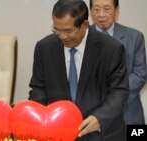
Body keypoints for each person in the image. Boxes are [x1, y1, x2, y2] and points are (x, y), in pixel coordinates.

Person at [28, 0, 128, 141]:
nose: (62, 36)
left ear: (85, 25)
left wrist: (99, 118)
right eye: (57, 30)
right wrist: (32, 115)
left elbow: (119, 92)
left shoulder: (111, 49)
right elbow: (39, 89)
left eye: (68, 31)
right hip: (59, 134)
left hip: (101, 134)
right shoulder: (44, 48)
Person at [90, 0, 147, 125]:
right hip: (92, 115)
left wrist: (114, 97)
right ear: (91, 12)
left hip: (129, 113)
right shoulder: (81, 38)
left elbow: (140, 74)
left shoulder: (135, 37)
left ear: (116, 10)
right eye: (96, 9)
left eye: (107, 9)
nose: (101, 14)